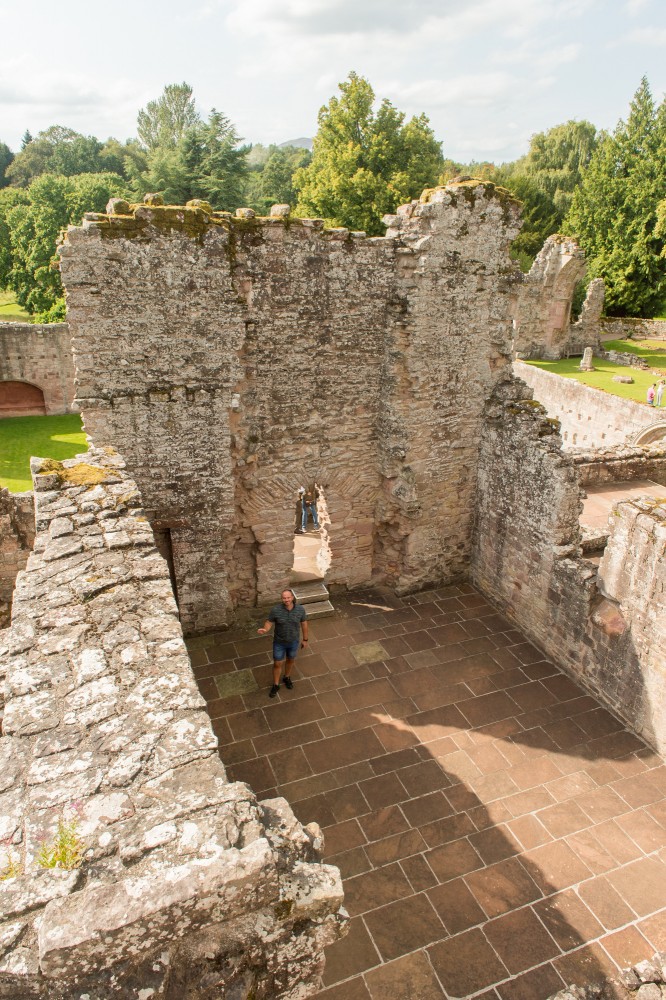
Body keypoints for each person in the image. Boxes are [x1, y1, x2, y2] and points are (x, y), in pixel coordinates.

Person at [257, 589, 308, 697]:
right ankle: (276, 684)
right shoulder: (276, 610)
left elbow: (304, 624)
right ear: (282, 599)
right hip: (279, 642)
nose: (286, 600)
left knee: (290, 660)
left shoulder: (300, 609)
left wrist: (305, 639)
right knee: (277, 663)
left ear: (292, 597)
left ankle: (287, 677)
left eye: (288, 597)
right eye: (284, 598)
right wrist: (265, 629)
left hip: (293, 641)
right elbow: (269, 622)